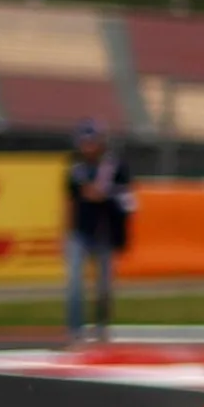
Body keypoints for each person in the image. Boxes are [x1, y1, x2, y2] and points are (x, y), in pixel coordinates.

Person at [64, 121, 134, 343]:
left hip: (105, 232)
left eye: (91, 142)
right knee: (75, 283)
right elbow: (77, 195)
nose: (88, 147)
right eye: (85, 143)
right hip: (80, 230)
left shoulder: (116, 166)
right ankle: (75, 329)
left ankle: (101, 326)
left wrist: (109, 195)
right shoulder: (75, 166)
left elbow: (127, 199)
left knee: (104, 286)